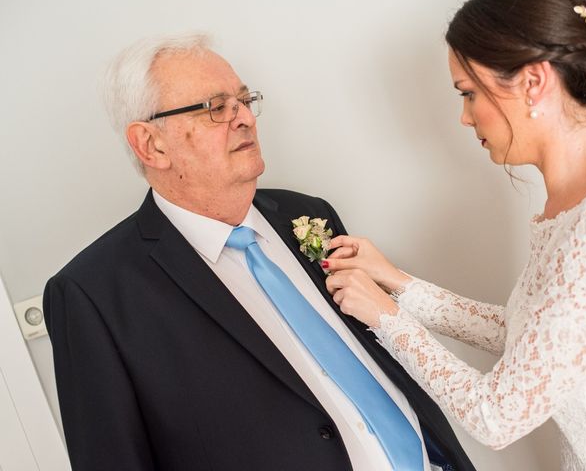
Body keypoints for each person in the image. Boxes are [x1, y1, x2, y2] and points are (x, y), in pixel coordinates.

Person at [43, 33, 476, 471]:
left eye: (244, 100)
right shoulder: (92, 295)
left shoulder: (306, 214)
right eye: (216, 108)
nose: (246, 118)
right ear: (151, 145)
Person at [322, 0, 586, 470]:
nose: (465, 116)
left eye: (468, 92)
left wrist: (387, 319)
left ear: (534, 81)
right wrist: (397, 282)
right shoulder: (578, 205)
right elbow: (527, 335)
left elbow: (497, 415)